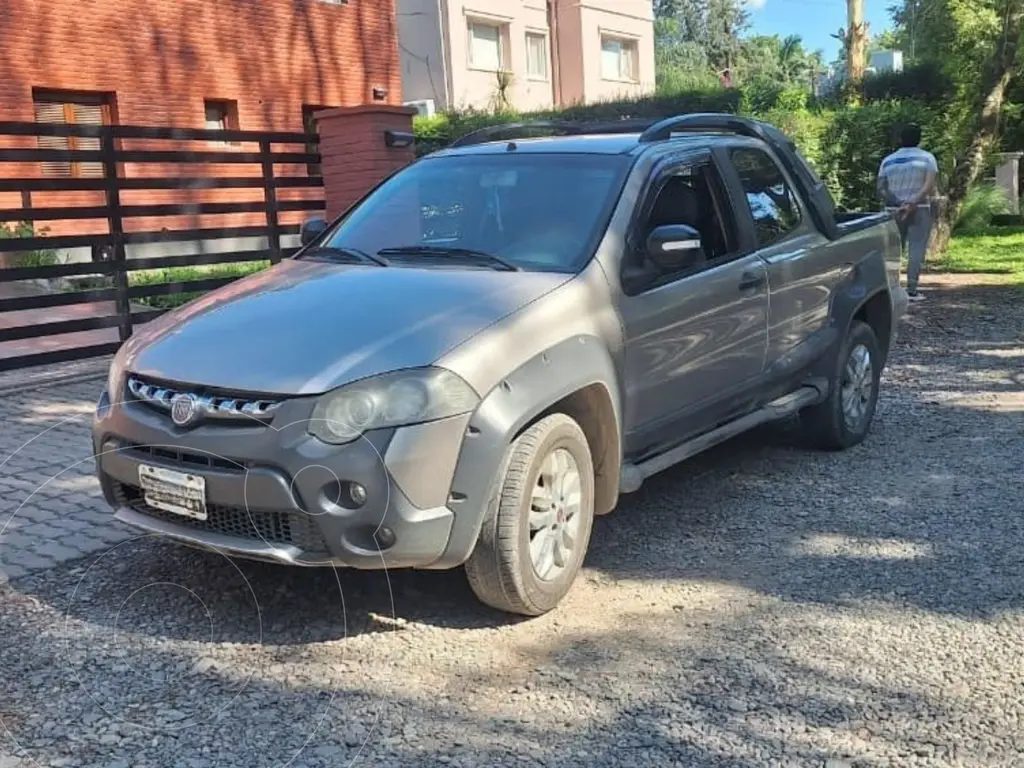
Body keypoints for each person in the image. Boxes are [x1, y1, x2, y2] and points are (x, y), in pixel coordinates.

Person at [876, 124, 938, 301]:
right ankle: (912, 289)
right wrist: (912, 203)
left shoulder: (888, 161)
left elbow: (881, 188)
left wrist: (899, 202)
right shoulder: (927, 158)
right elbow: (928, 185)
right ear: (919, 139)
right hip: (920, 208)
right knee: (916, 247)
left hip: (893, 210)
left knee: (893, 249)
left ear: (900, 139)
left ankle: (891, 288)